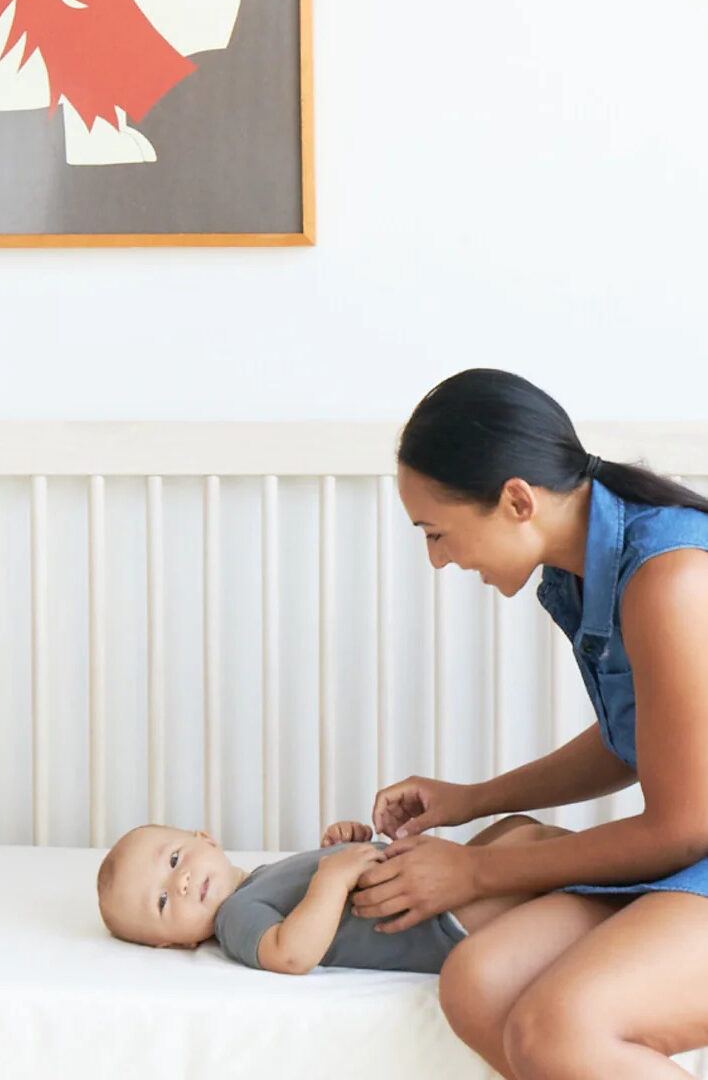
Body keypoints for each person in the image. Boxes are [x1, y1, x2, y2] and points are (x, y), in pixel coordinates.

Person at [350, 368, 708, 1079]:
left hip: (694, 839)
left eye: (436, 532)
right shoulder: (580, 575)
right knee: (478, 983)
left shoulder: (670, 577)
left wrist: (480, 869)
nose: (437, 558)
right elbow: (641, 740)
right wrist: (475, 799)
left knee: (560, 1029)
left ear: (517, 499)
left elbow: (684, 822)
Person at [95, 813, 574, 973]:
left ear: (206, 839)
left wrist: (347, 847)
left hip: (430, 887)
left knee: (518, 827)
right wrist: (331, 878)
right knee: (531, 847)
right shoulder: (233, 919)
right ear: (176, 942)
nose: (178, 884)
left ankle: (618, 880)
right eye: (162, 903)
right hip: (436, 926)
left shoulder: (259, 879)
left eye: (175, 860)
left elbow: (320, 899)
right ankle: (627, 888)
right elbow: (291, 952)